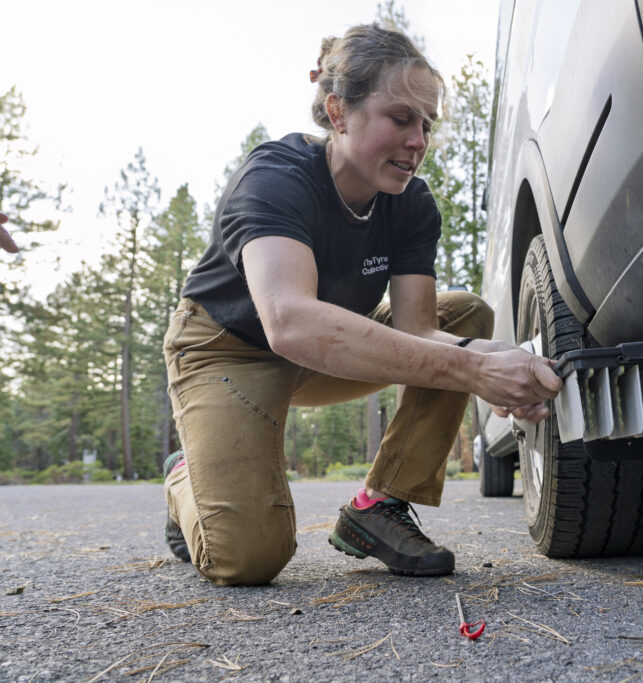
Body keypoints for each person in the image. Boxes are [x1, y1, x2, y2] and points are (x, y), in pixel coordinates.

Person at [162, 24, 561, 586]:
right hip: (230, 353)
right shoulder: (275, 178)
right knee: (247, 559)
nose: (419, 140)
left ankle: (380, 508)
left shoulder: (411, 205)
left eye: (426, 123)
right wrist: (472, 368)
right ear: (338, 111)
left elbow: (421, 328)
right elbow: (290, 321)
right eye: (401, 119)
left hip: (323, 352)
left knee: (465, 316)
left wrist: (492, 358)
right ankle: (186, 476)